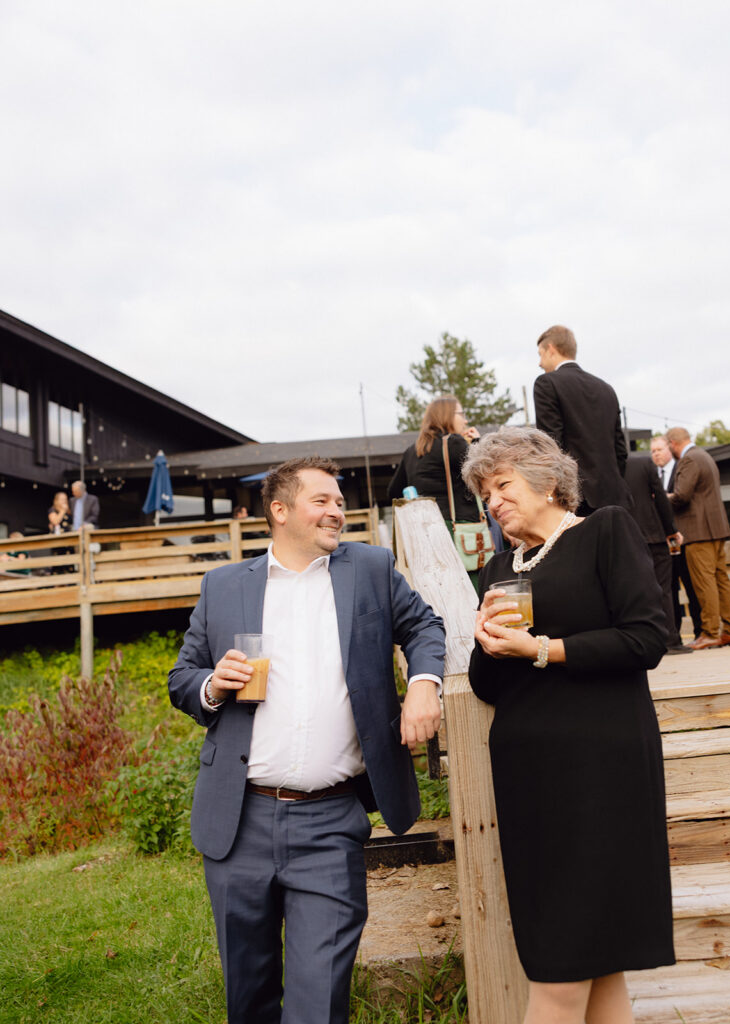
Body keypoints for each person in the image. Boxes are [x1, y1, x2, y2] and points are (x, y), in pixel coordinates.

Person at [168, 455, 445, 1024]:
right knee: (248, 997)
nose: (337, 511)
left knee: (319, 1002)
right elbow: (182, 679)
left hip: (330, 821)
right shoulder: (223, 587)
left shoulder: (369, 569)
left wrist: (422, 683)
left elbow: (424, 626)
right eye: (322, 501)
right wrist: (213, 685)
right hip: (238, 818)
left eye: (340, 502)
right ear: (280, 511)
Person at [461, 426, 674, 1024]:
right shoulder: (500, 568)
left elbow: (646, 638)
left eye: (502, 485)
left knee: (560, 969)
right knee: (600, 969)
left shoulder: (604, 532)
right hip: (530, 777)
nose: (493, 501)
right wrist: (485, 641)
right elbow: (486, 685)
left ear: (548, 481)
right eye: (485, 492)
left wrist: (541, 649)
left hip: (600, 771)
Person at [533, 325, 632, 515]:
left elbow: (551, 446)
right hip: (615, 498)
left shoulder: (547, 383)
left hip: (577, 499)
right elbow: (620, 451)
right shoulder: (606, 388)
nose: (539, 363)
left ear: (551, 349)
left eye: (540, 354)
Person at [666, 427, 730, 650]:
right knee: (721, 581)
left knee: (704, 583)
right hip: (716, 529)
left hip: (698, 531)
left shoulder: (689, 460)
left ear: (672, 443)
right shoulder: (705, 455)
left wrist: (658, 497)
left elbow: (681, 495)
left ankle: (710, 633)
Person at [624, 453, 691, 655]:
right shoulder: (643, 463)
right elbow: (660, 498)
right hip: (652, 535)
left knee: (630, 591)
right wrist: (671, 529)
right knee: (663, 588)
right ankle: (670, 639)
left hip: (622, 538)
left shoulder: (601, 467)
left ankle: (640, 640)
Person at [388, 394, 481, 524]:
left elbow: (393, 492)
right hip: (459, 526)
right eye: (461, 414)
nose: (465, 421)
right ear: (447, 416)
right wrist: (477, 442)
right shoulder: (453, 443)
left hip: (425, 527)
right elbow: (483, 472)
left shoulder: (412, 450)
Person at [651, 435, 702, 638]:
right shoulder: (650, 475)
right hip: (663, 541)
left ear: (669, 449)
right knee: (669, 589)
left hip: (684, 536)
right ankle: (675, 634)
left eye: (660, 449)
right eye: (653, 451)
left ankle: (700, 631)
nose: (656, 454)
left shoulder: (682, 468)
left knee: (691, 586)